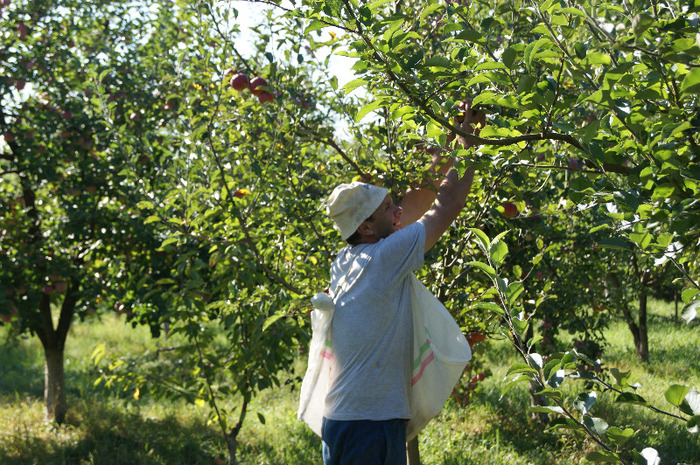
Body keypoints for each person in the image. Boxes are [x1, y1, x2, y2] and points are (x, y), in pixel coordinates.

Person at [321, 101, 487, 465]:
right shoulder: (384, 259)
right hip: (369, 426)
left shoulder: (347, 259)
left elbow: (416, 201)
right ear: (365, 227)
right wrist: (470, 144)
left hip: (345, 421)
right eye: (387, 209)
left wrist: (450, 141)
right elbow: (447, 204)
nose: (398, 212)